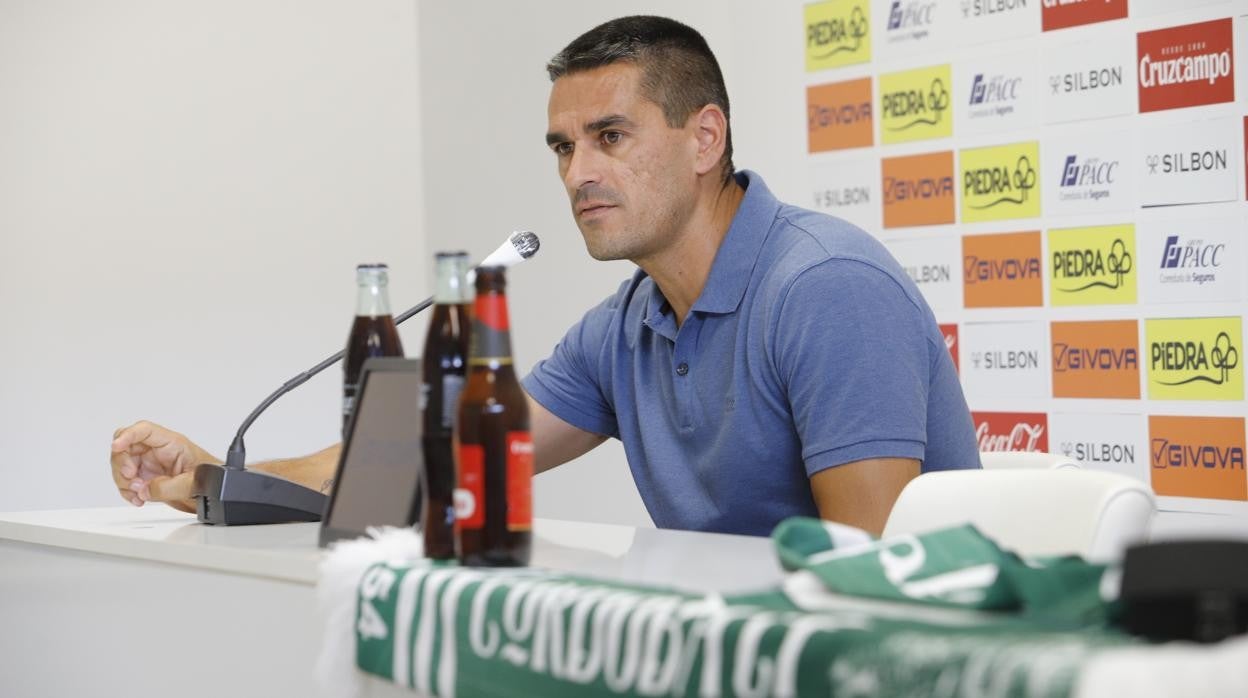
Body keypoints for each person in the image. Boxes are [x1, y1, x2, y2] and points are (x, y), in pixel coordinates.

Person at [111, 16, 979, 537]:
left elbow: (874, 578)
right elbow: (426, 466)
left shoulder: (824, 289)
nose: (576, 175)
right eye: (564, 147)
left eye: (610, 137)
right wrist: (224, 476)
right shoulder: (627, 324)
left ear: (705, 138)